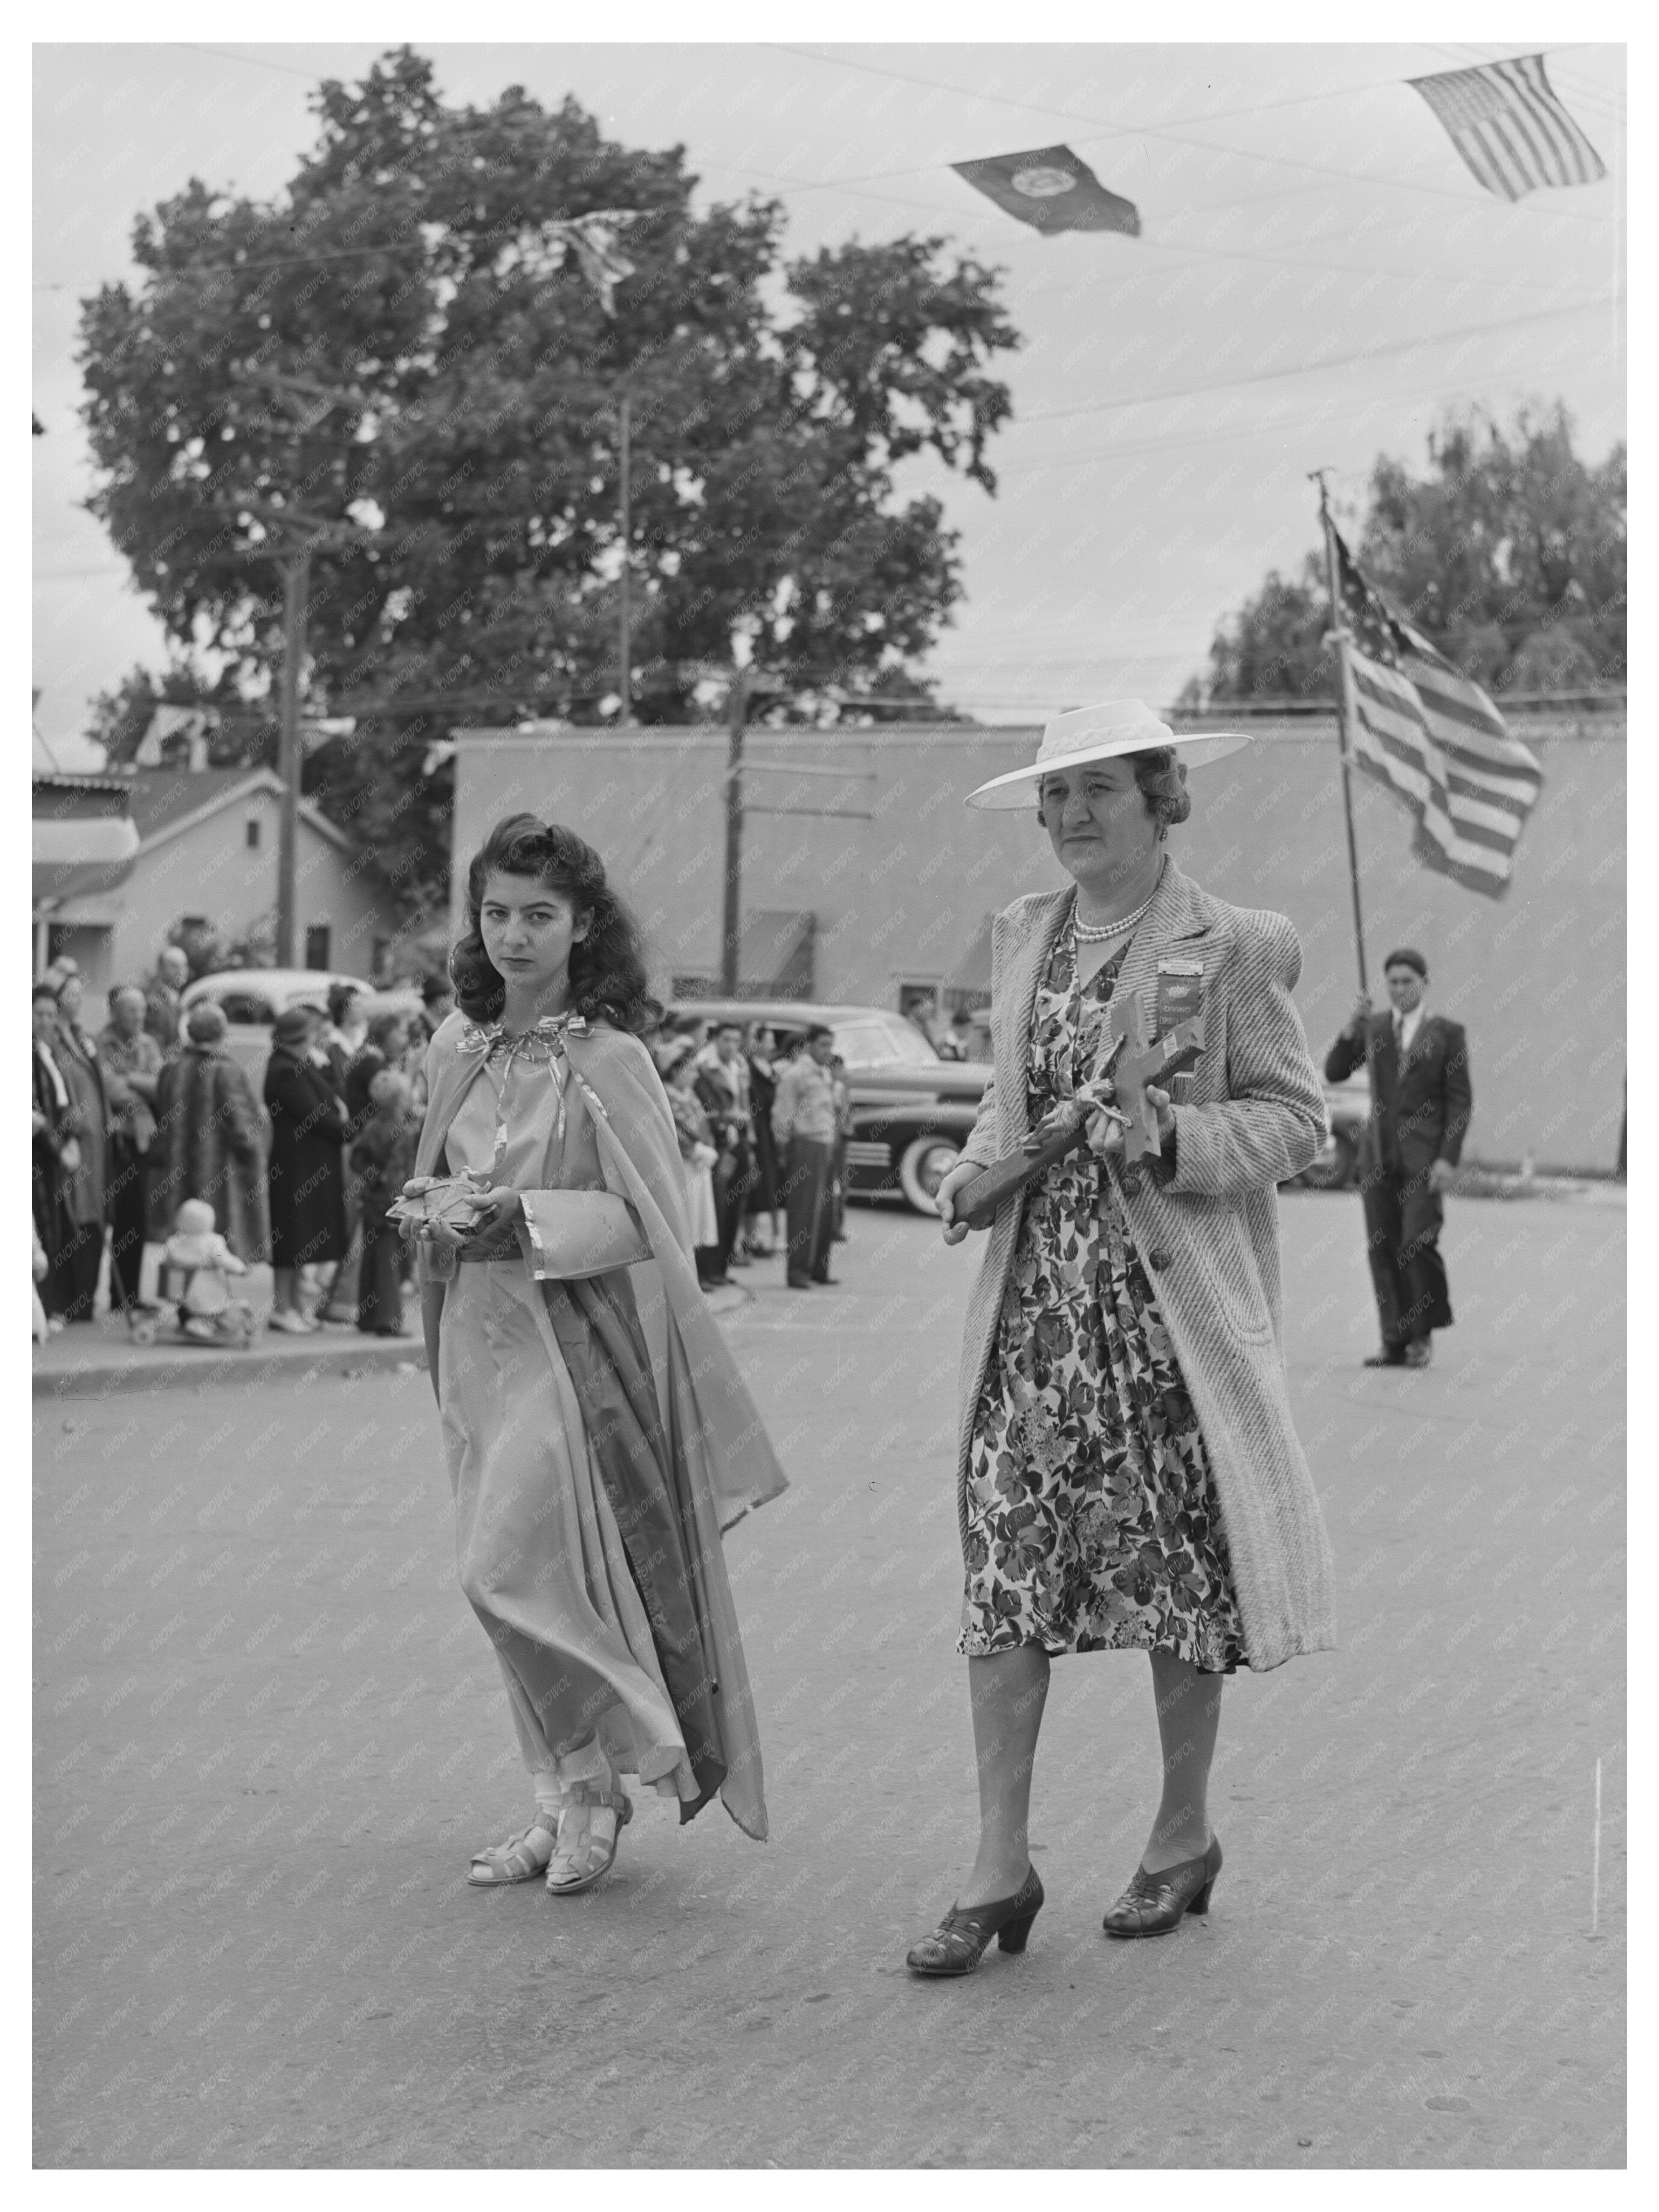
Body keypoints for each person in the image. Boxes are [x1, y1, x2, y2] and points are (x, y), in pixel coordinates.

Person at [910, 699, 1337, 1977]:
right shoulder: (1019, 936)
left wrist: (1175, 1140)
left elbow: (1296, 1118)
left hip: (1162, 1328)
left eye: (1100, 789)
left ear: (1163, 797)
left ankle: (1180, 1837)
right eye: (1055, 797)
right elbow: (1012, 1107)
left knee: (1176, 1589)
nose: (1073, 816)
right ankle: (1000, 1866)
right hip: (1034, 1321)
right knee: (1004, 1582)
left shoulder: (1238, 944)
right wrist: (978, 1173)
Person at [400, 813, 786, 1895]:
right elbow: (432, 1180)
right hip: (469, 1347)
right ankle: (563, 1794)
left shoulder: (610, 1060)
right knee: (505, 1578)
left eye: (540, 915)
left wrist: (524, 1215)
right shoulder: (450, 1047)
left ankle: (635, 1742)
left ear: (581, 927)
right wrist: (430, 1215)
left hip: (570, 1353)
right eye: (497, 914)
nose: (515, 935)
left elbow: (652, 1223)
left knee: (501, 1572)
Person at [1323, 948, 1472, 1371]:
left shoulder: (1446, 1033)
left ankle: (1421, 1337)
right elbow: (1335, 1071)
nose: (1400, 988)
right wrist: (1351, 1028)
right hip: (1378, 1157)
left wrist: (1448, 1159)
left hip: (1424, 1159)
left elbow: (1460, 1102)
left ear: (1424, 983)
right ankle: (1393, 1340)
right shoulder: (1375, 1030)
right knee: (1382, 1249)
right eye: (1393, 981)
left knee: (1416, 1243)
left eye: (1408, 981)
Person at [149, 1001, 270, 1274]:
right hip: (219, 1175)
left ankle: (186, 1303)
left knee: (185, 1241)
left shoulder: (173, 1069)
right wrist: (257, 1153)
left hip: (178, 1168)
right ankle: (212, 1306)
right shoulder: (226, 1070)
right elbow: (243, 1126)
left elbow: (161, 1110)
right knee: (214, 1241)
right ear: (220, 1032)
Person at [263, 1005, 348, 1332]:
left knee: (304, 1238)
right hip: (295, 1166)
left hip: (310, 1164)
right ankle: (282, 1308)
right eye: (315, 1030)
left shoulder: (302, 1063)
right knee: (292, 1238)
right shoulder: (286, 1069)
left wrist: (327, 1069)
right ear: (303, 1035)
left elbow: (335, 1100)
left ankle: (297, 1306)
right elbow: (321, 1116)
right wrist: (344, 1125)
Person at [46, 973, 110, 1322]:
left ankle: (83, 1301)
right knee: (73, 1216)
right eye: (71, 993)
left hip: (96, 1144)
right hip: (74, 1141)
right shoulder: (54, 1040)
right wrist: (72, 1122)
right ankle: (66, 1301)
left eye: (80, 993)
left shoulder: (83, 1037)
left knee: (92, 1217)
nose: (78, 999)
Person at [97, 984, 164, 1312]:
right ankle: (110, 1296)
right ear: (114, 1013)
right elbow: (110, 1090)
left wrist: (131, 1078)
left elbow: (162, 1086)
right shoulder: (102, 1043)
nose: (139, 1017)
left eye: (142, 1010)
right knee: (112, 1218)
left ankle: (131, 1295)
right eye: (130, 1010)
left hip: (142, 1141)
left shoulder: (150, 1043)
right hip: (114, 1140)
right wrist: (142, 1087)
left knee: (137, 1219)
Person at [350, 1067, 419, 1335]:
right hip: (393, 1201)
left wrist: (373, 1178)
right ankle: (388, 1319)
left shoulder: (374, 1124)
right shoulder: (402, 1128)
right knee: (391, 1262)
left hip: (374, 1199)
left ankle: (368, 1316)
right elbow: (401, 1168)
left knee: (374, 1259)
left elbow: (357, 1158)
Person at [770, 1026, 839, 1289]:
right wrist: (784, 1148)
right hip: (806, 1143)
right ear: (809, 1045)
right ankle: (798, 1270)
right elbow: (782, 1114)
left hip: (826, 1142)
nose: (828, 1051)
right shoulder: (796, 1074)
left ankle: (819, 1270)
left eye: (830, 1045)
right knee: (804, 1210)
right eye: (823, 1045)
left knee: (825, 1211)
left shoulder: (824, 1073)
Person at [32, 983, 80, 1330]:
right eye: (39, 1014)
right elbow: (33, 1114)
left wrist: (72, 1140)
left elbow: (63, 1105)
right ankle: (40, 1310)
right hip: (36, 1157)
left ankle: (48, 1307)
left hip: (53, 1157)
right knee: (40, 1229)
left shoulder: (47, 1052)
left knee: (55, 1229)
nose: (45, 1020)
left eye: (50, 1014)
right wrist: (58, 1148)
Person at [695, 1021, 755, 1274]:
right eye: (726, 1040)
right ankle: (709, 1269)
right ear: (715, 1040)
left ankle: (723, 1267)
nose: (732, 1046)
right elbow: (706, 1109)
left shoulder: (739, 1066)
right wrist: (727, 1116)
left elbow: (746, 1103)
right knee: (716, 1207)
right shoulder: (704, 1068)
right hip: (717, 1141)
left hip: (738, 1138)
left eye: (736, 1041)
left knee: (736, 1205)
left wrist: (750, 1141)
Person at [665, 1045, 726, 1287]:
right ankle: (685, 1279)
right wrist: (695, 1150)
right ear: (677, 1071)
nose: (695, 1076)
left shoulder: (690, 1095)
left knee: (699, 1217)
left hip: (700, 1164)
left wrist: (708, 1147)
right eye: (690, 1070)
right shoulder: (666, 1096)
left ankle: (697, 1273)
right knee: (685, 1218)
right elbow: (672, 1132)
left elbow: (704, 1125)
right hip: (683, 1164)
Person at [161, 1196, 251, 1342]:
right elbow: (225, 1260)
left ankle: (191, 1320)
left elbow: (166, 1261)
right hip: (205, 1288)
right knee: (213, 1303)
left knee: (188, 1300)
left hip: (177, 1288)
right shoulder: (213, 1242)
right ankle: (200, 1323)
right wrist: (241, 1268)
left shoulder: (175, 1241)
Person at [742, 1025, 782, 1258]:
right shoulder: (748, 1070)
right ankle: (747, 1240)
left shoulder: (769, 1070)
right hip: (755, 1134)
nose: (774, 1046)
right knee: (752, 1186)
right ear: (756, 1043)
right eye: (769, 1041)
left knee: (766, 1186)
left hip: (768, 1134)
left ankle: (757, 1238)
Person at [144, 945, 190, 1056]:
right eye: (174, 966)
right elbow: (156, 1043)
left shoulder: (173, 996)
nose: (181, 972)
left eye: (184, 966)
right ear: (161, 969)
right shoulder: (154, 1000)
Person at [827, 1052, 854, 1245]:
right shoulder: (834, 1088)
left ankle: (835, 1226)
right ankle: (833, 1227)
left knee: (839, 1184)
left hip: (840, 1140)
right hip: (835, 1141)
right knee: (835, 1184)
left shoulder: (840, 1087)